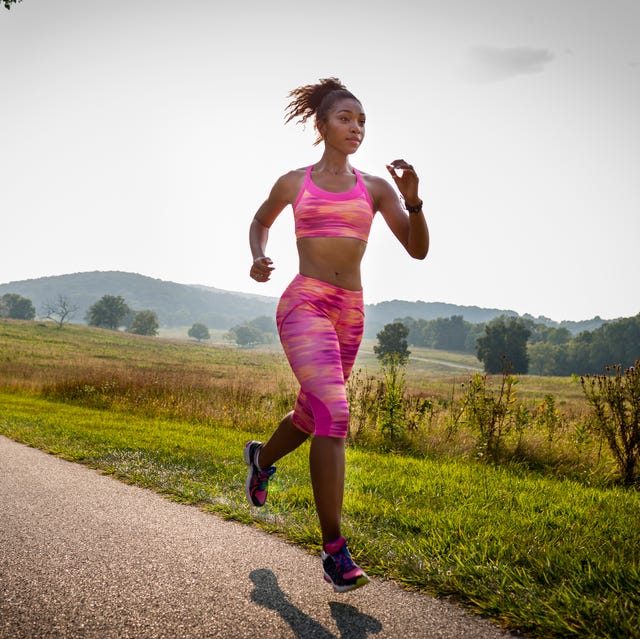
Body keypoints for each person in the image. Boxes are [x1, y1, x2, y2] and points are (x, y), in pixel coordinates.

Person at [245, 77, 429, 593]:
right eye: (346, 118)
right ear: (322, 125)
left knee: (312, 414)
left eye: (363, 120)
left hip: (350, 312)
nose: (356, 128)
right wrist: (259, 256)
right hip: (304, 301)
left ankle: (260, 460)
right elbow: (260, 221)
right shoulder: (293, 182)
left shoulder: (375, 188)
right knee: (335, 413)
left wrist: (414, 203)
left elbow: (417, 250)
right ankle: (334, 551)